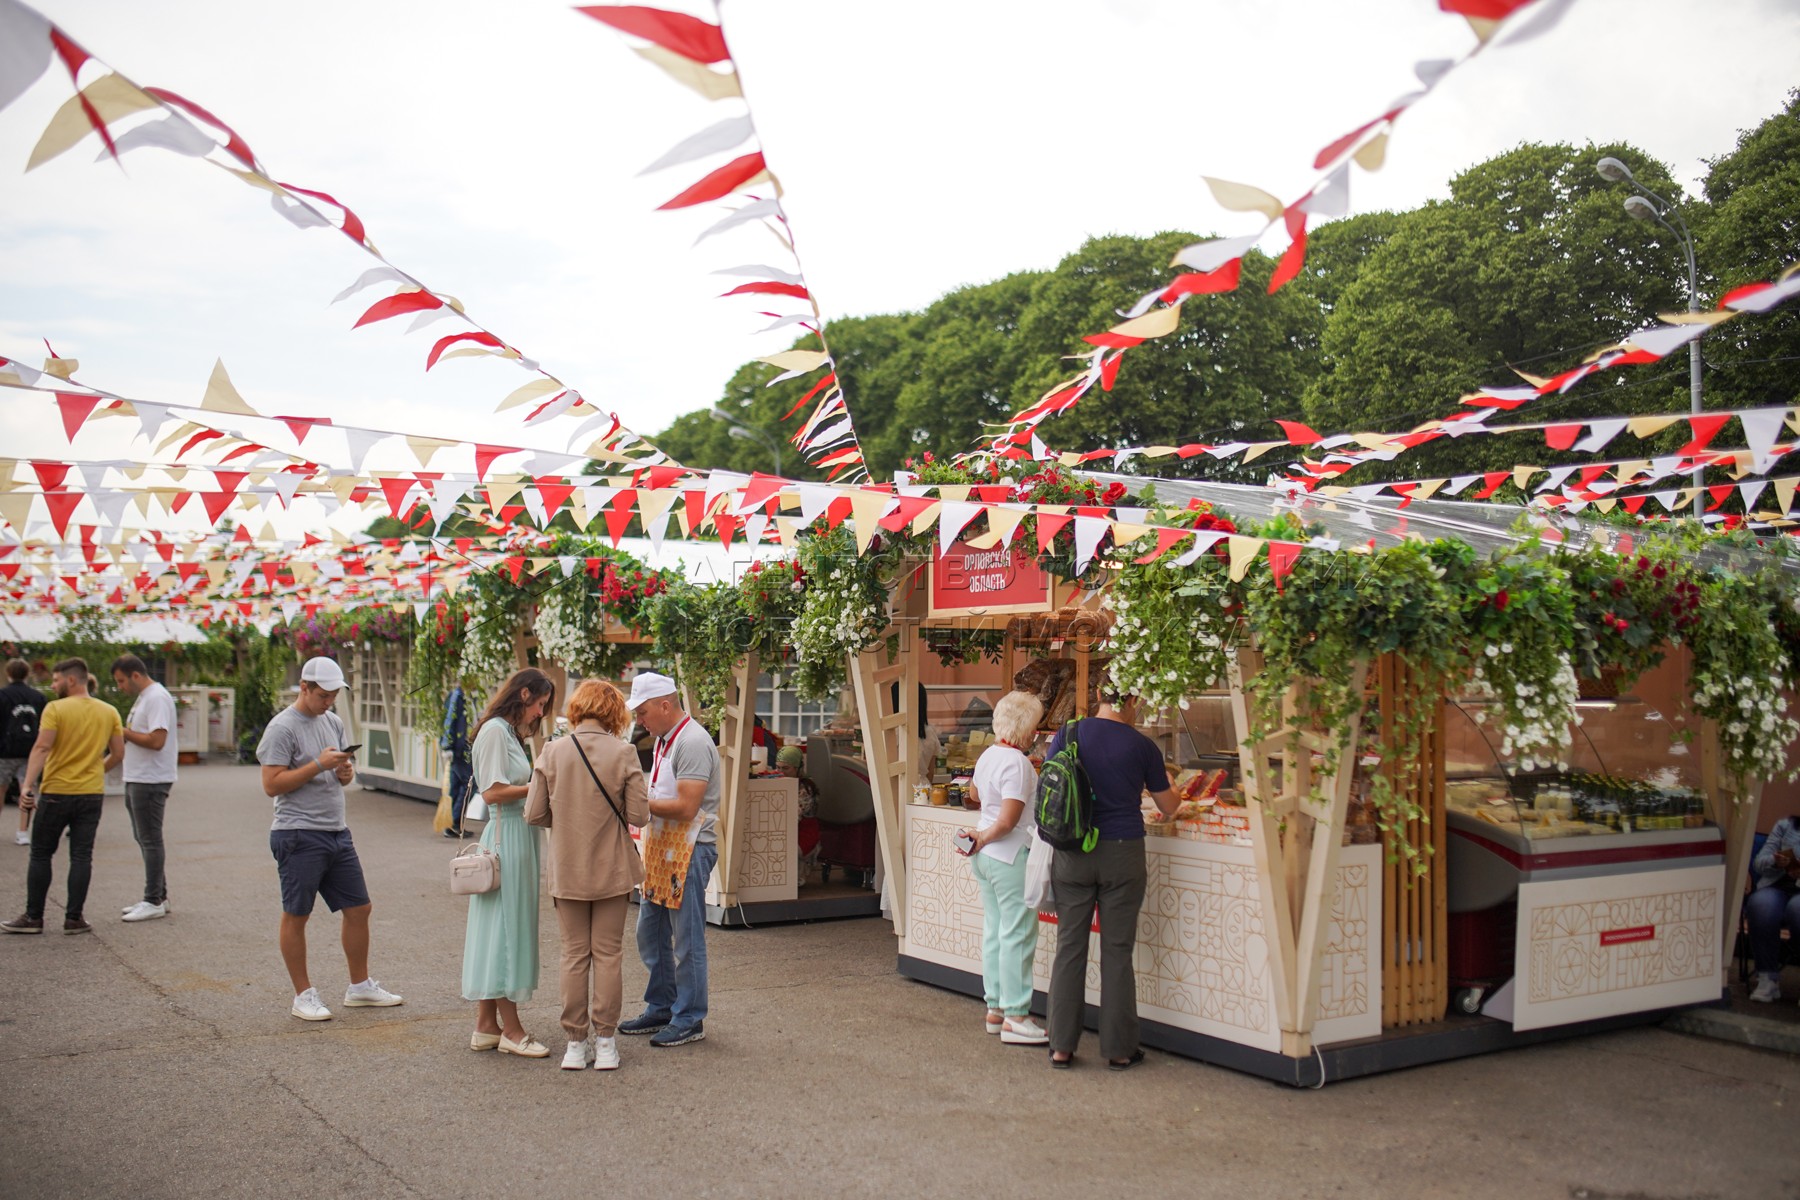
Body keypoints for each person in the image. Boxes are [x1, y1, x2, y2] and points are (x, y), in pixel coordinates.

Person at [257, 656, 403, 1020]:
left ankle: (359, 986)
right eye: (322, 695)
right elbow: (271, 784)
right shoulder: (282, 727)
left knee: (359, 908)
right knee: (297, 913)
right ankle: (303, 994)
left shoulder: (333, 720)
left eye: (333, 696)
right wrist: (318, 765)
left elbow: (342, 778)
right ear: (303, 687)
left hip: (336, 830)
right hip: (296, 832)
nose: (328, 703)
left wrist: (344, 772)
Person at [1042, 689, 1178, 1070]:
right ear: (1131, 700)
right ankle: (1119, 1049)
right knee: (1117, 951)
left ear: (1100, 693)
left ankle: (1061, 1046)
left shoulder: (1069, 734)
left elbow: (1051, 785)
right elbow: (1169, 806)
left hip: (1073, 852)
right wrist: (1168, 782)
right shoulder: (1142, 746)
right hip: (1123, 851)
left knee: (1070, 947)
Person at [525, 680, 651, 1071]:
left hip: (567, 869)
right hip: (612, 870)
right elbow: (639, 815)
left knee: (574, 955)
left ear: (577, 709)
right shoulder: (624, 752)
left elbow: (533, 814)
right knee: (609, 955)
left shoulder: (553, 751)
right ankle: (607, 1042)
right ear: (615, 713)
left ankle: (575, 1045)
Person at [618, 671, 720, 1048]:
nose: (639, 721)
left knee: (686, 938)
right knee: (652, 930)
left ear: (665, 704)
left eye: (643, 712)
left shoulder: (691, 741)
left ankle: (689, 1016)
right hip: (666, 847)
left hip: (691, 848)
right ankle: (664, 1005)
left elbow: (687, 806)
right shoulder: (666, 738)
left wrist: (635, 805)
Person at [462, 667, 556, 1058]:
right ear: (523, 695)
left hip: (517, 834)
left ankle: (486, 1023)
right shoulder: (496, 732)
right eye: (539, 704)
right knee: (506, 929)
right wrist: (541, 783)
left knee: (498, 926)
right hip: (506, 835)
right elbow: (493, 791)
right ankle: (512, 1031)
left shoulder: (507, 733)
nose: (539, 713)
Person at [1, 659, 123, 935]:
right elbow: (117, 754)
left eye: (56, 680)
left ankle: (34, 917)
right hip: (91, 793)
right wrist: (93, 770)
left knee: (41, 853)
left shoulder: (55, 708)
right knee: (81, 855)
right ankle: (74, 918)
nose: (53, 685)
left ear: (71, 680)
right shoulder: (109, 711)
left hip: (57, 791)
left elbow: (42, 747)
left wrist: (27, 786)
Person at [956, 690, 1048, 1046]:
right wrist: (985, 836)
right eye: (1035, 727)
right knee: (1018, 936)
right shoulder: (1018, 763)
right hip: (1009, 855)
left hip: (986, 860)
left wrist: (980, 837)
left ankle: (995, 1009)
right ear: (1026, 729)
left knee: (995, 932)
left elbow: (977, 795)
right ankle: (1016, 1016)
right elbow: (1009, 821)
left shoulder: (989, 755)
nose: (1036, 734)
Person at [111, 655, 177, 922]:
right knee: (144, 836)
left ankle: (153, 900)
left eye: (121, 681)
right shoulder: (147, 697)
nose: (120, 687)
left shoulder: (156, 697)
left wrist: (122, 732)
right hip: (139, 775)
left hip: (150, 778)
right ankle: (158, 895)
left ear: (135, 675)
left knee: (149, 839)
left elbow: (157, 740)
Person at [1747, 814, 1800, 1004]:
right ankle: (1767, 979)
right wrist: (1775, 862)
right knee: (1761, 904)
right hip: (1777, 887)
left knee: (1797, 909)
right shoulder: (1786, 826)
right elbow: (1759, 863)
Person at [0, 658, 46, 846]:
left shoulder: (2, 695)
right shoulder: (39, 697)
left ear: (8, 673)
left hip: (4, 750)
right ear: (28, 674)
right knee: (26, 789)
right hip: (31, 750)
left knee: (1, 790)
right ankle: (23, 831)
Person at [776, 745, 821, 879]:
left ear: (797, 768)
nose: (781, 772)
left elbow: (794, 816)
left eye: (786, 768)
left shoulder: (806, 788)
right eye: (778, 767)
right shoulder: (777, 782)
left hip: (803, 833)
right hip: (788, 829)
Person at [441, 682, 474, 837]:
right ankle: (455, 822)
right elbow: (450, 720)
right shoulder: (458, 696)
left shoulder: (461, 695)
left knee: (456, 785)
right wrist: (448, 746)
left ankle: (451, 822)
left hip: (458, 747)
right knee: (468, 783)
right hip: (459, 748)